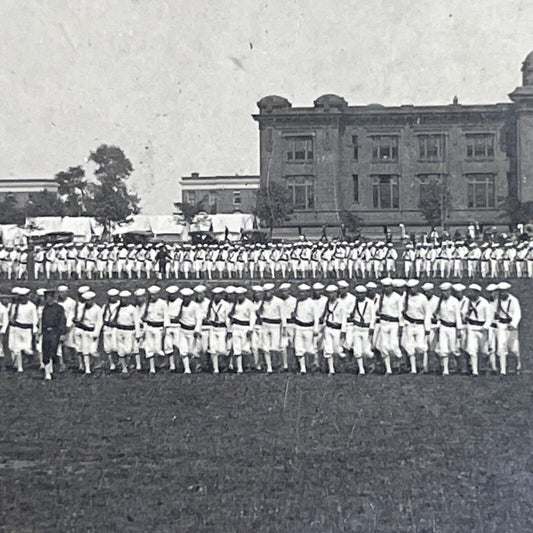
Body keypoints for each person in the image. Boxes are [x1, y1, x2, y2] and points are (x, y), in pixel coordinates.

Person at [401, 280, 430, 374]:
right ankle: (413, 369)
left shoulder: (422, 298)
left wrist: (427, 327)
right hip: (409, 324)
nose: (413, 289)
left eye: (414, 287)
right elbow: (401, 311)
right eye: (410, 288)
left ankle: (422, 366)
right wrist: (403, 323)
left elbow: (427, 313)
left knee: (420, 345)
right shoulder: (405, 297)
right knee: (410, 346)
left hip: (420, 324)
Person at [375, 278, 403, 375]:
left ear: (392, 287)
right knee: (384, 345)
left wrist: (401, 325)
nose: (387, 289)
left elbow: (400, 312)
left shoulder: (397, 297)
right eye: (385, 287)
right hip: (383, 322)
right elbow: (376, 310)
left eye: (389, 287)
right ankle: (388, 369)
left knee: (393, 345)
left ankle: (399, 360)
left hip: (394, 322)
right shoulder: (381, 297)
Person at [8, 287, 38, 373]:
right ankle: (19, 367)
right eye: (21, 296)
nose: (22, 298)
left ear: (28, 296)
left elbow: (34, 319)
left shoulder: (32, 306)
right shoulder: (17, 305)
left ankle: (30, 356)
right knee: (17, 349)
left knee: (27, 349)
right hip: (18, 328)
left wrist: (35, 330)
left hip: (27, 329)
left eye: (24, 296)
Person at [256, 282, 285, 373]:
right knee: (265, 347)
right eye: (265, 292)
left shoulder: (279, 301)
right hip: (265, 325)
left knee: (275, 347)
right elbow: (259, 313)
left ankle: (278, 364)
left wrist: (284, 328)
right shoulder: (262, 302)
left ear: (272, 291)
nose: (267, 293)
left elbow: (283, 316)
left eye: (269, 291)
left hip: (276, 325)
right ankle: (269, 367)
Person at [494, 281, 521, 375]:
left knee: (513, 348)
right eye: (501, 291)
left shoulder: (513, 300)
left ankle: (518, 363)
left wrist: (513, 324)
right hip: (501, 326)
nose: (503, 293)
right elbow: (493, 313)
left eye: (505, 291)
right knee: (501, 347)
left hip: (511, 327)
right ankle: (503, 370)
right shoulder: (497, 301)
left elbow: (517, 314)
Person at [464, 284, 491, 376]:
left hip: (482, 328)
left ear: (477, 293)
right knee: (472, 350)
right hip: (471, 327)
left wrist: (486, 326)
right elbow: (464, 313)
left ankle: (486, 365)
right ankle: (475, 371)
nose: (471, 294)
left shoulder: (484, 303)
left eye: (473, 292)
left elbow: (489, 317)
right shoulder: (467, 302)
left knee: (484, 350)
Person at [142, 285, 169, 374]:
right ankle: (152, 368)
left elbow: (166, 316)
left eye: (155, 295)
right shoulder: (147, 303)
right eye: (152, 295)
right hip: (149, 327)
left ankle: (162, 363)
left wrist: (165, 328)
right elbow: (142, 316)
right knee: (149, 348)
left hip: (159, 327)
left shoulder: (162, 303)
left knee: (158, 348)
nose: (153, 296)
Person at [349, 285, 376, 375]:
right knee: (357, 350)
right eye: (358, 294)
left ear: (365, 294)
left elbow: (373, 316)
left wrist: (372, 327)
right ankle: (361, 369)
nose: (360, 296)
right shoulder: (353, 302)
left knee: (366, 351)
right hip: (356, 328)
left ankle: (373, 361)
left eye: (362, 294)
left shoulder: (370, 303)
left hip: (366, 328)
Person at [41, 289, 67, 380]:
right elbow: (43, 321)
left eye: (49, 297)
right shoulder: (45, 308)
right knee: (45, 351)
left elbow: (62, 321)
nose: (47, 299)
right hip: (46, 332)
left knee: (53, 351)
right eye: (46, 297)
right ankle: (47, 373)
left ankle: (54, 370)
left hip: (55, 332)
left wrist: (62, 333)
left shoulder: (59, 308)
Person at [321, 285, 347, 374]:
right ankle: (331, 370)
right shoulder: (327, 303)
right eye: (329, 293)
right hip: (328, 327)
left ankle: (342, 359)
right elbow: (325, 314)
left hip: (337, 328)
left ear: (336, 293)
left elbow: (344, 318)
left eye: (332, 293)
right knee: (328, 349)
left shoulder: (341, 303)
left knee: (336, 349)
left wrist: (343, 331)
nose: (330, 295)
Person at [114, 290, 141, 374]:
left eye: (125, 299)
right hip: (119, 330)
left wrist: (137, 334)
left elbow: (136, 322)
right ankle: (124, 367)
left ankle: (129, 363)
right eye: (122, 299)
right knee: (120, 350)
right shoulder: (117, 308)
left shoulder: (132, 309)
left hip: (129, 331)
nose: (123, 300)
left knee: (128, 350)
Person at [77, 291, 103, 375]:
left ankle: (98, 363)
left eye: (90, 300)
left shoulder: (97, 309)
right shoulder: (82, 308)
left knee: (93, 350)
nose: (88, 302)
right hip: (84, 330)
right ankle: (87, 369)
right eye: (86, 300)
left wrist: (96, 333)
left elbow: (99, 322)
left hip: (93, 331)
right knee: (85, 351)